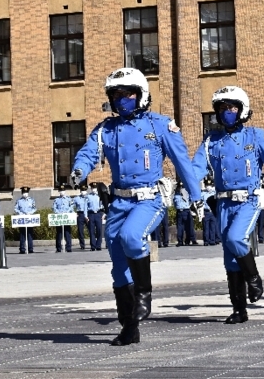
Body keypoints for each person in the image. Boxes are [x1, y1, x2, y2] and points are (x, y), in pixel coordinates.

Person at [72, 67, 203, 346]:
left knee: (132, 237)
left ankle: (144, 294)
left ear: (141, 94)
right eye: (116, 95)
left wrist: (196, 196)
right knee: (119, 269)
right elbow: (88, 153)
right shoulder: (105, 129)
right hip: (118, 202)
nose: (122, 100)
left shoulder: (160, 125)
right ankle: (129, 327)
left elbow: (183, 163)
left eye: (128, 94)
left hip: (149, 199)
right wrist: (79, 170)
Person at [192, 86, 264, 324]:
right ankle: (239, 309)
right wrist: (190, 189)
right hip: (223, 202)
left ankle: (254, 277)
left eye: (232, 107)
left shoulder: (256, 136)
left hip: (248, 199)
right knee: (229, 257)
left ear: (242, 110)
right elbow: (196, 168)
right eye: (222, 108)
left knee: (236, 239)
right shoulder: (210, 142)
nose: (227, 112)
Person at [14, 186, 37, 254]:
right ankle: (22, 249)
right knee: (22, 234)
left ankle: (30, 248)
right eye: (24, 192)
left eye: (26, 192)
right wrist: (21, 213)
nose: (25, 194)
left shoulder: (31, 200)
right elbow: (16, 209)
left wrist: (30, 213)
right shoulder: (19, 201)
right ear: (22, 193)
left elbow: (34, 208)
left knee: (30, 234)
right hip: (22, 219)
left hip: (29, 219)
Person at [53, 184, 74, 252]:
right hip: (59, 217)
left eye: (63, 190)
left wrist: (67, 211)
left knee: (67, 233)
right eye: (61, 190)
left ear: (65, 191)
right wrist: (58, 212)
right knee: (59, 233)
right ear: (59, 191)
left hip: (66, 217)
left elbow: (71, 206)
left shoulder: (69, 199)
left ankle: (69, 247)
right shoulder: (56, 200)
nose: (62, 192)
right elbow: (54, 208)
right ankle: (58, 248)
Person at [173, 182, 193, 246]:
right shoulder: (187, 193)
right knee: (187, 227)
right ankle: (187, 241)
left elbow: (174, 204)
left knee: (180, 227)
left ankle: (180, 241)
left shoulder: (176, 195)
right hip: (186, 210)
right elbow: (191, 201)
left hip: (180, 211)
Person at [88, 182, 104, 251]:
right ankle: (93, 246)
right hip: (91, 214)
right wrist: (86, 216)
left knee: (99, 230)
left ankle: (98, 245)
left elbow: (103, 205)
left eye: (95, 188)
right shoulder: (88, 196)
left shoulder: (100, 196)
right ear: (91, 189)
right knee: (91, 231)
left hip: (98, 213)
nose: (94, 189)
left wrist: (103, 214)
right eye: (93, 188)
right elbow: (86, 206)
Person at [201, 176, 218, 246]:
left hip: (213, 212)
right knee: (206, 227)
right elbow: (200, 204)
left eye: (210, 185)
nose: (208, 187)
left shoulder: (215, 193)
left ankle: (212, 240)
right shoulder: (203, 193)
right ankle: (206, 241)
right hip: (206, 211)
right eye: (207, 185)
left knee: (213, 227)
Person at [73, 185, 89, 250]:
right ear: (80, 191)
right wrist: (74, 212)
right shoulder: (76, 198)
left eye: (84, 190)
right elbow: (72, 206)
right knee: (80, 231)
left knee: (91, 229)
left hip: (88, 214)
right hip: (80, 214)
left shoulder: (89, 197)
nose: (83, 192)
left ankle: (93, 244)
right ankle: (82, 245)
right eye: (82, 190)